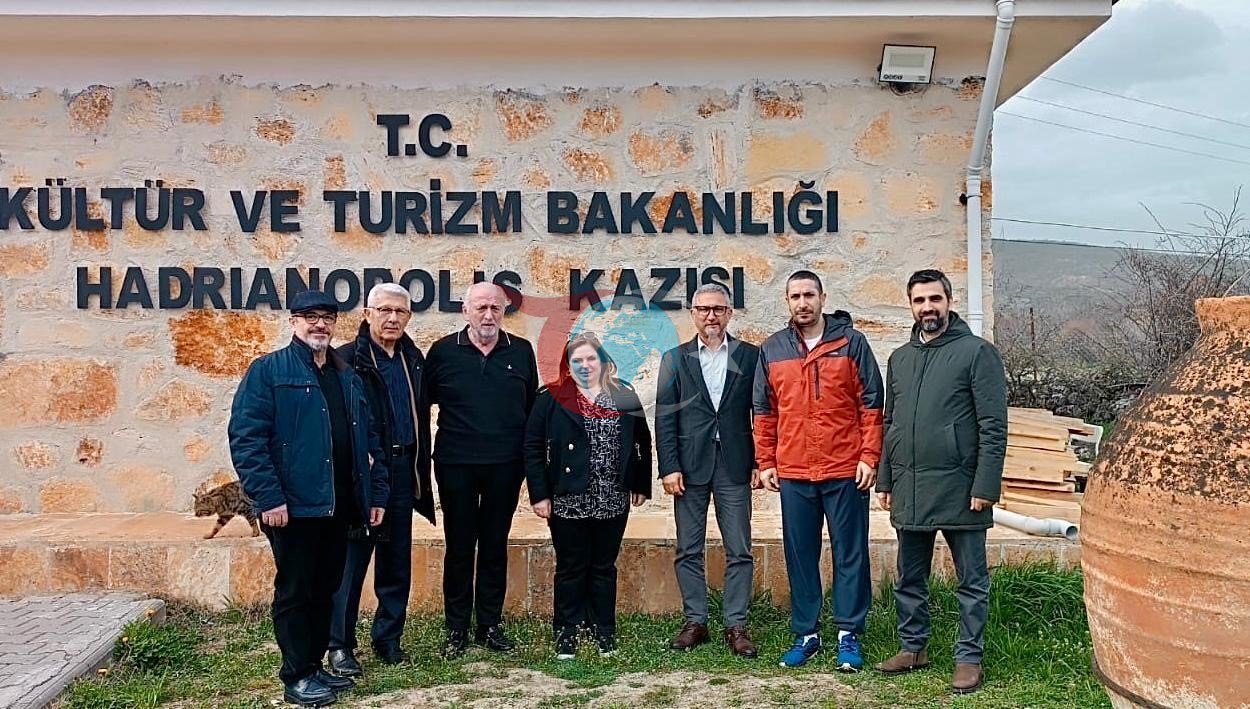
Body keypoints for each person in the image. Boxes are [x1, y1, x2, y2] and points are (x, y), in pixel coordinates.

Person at [228, 289, 388, 707]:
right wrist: (268, 498)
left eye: (327, 318)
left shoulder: (345, 375)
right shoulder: (268, 371)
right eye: (310, 316)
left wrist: (375, 494)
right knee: (296, 592)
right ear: (293, 322)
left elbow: (369, 440)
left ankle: (314, 666)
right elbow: (247, 439)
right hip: (293, 508)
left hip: (339, 505)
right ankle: (296, 675)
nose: (320, 324)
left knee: (325, 589)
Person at [874, 269, 1008, 695]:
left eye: (935, 299)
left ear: (949, 301)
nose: (927, 307)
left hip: (962, 489)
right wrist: (885, 479)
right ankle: (913, 648)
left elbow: (993, 426)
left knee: (971, 580)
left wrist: (985, 486)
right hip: (911, 487)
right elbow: (891, 423)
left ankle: (969, 657)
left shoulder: (977, 353)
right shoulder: (900, 359)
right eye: (919, 300)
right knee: (909, 577)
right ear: (910, 306)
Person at [754, 270, 883, 671]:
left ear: (823, 298)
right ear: (787, 301)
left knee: (850, 552)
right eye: (795, 296)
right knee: (800, 554)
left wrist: (869, 457)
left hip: (845, 468)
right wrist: (766, 461)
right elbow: (763, 411)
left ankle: (848, 634)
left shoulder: (851, 343)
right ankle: (806, 633)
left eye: (809, 294)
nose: (803, 302)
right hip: (794, 470)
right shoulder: (773, 348)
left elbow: (872, 404)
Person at [425, 282, 539, 658]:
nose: (488, 315)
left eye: (495, 308)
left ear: (504, 312)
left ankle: (489, 625)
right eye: (481, 308)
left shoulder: (521, 351)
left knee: (494, 545)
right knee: (459, 546)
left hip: (505, 466)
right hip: (455, 464)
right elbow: (424, 403)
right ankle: (456, 627)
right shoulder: (442, 351)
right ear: (466, 311)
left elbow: (530, 408)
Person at [327, 283, 436, 674]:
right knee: (351, 563)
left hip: (404, 471)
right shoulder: (344, 360)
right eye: (384, 310)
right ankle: (339, 645)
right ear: (367, 313)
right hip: (365, 475)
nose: (392, 318)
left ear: (408, 317)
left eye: (400, 312)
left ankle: (388, 639)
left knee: (395, 562)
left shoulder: (413, 358)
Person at [524, 332, 652, 659]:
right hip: (568, 497)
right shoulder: (551, 397)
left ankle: (603, 632)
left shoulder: (623, 394)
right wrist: (540, 494)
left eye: (591, 358)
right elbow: (533, 447)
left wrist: (640, 483)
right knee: (571, 567)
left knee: (603, 567)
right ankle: (566, 633)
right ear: (568, 366)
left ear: (603, 361)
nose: (585, 365)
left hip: (612, 496)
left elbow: (641, 440)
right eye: (577, 360)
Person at [655, 283, 760, 657]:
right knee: (688, 548)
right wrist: (669, 467)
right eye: (703, 309)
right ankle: (695, 621)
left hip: (734, 464)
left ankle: (736, 624)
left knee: (739, 549)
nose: (710, 316)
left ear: (729, 313)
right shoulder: (675, 359)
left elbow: (762, 412)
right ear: (693, 314)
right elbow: (665, 417)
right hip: (689, 466)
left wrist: (760, 461)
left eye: (718, 309)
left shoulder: (750, 356)